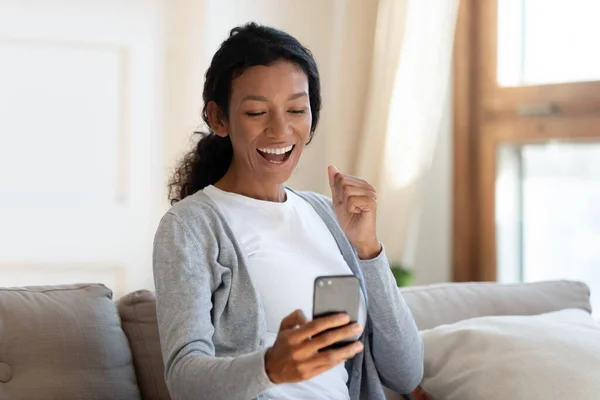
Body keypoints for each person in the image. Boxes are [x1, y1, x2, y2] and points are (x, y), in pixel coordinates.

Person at [153, 22, 424, 400]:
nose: (281, 130)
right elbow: (184, 379)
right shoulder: (191, 226)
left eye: (297, 109)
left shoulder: (326, 216)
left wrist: (367, 250)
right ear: (219, 119)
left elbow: (406, 372)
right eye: (256, 113)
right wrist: (269, 367)